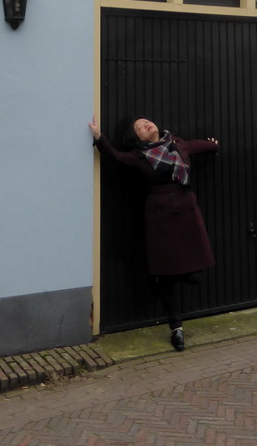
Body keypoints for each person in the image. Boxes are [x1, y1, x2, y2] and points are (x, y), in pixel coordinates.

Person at [88, 114, 218, 352]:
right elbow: (117, 157)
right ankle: (176, 327)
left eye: (146, 121)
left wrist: (214, 145)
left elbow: (199, 146)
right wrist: (99, 137)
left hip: (187, 211)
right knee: (166, 274)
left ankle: (174, 277)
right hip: (161, 218)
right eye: (139, 127)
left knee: (194, 273)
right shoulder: (139, 156)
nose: (145, 124)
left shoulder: (177, 143)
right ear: (136, 137)